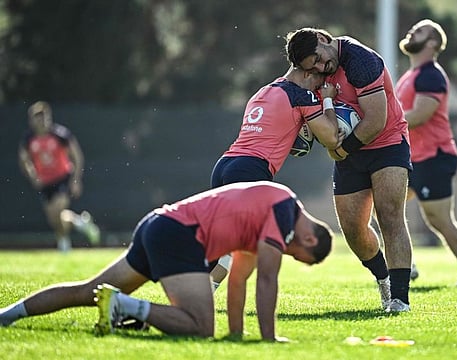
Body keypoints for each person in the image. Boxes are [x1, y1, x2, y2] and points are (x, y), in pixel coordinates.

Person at [0, 181, 334, 341]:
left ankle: (6, 315)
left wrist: (235, 334)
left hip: (159, 224)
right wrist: (269, 339)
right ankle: (123, 306)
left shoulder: (267, 213)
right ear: (308, 240)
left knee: (86, 291)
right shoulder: (284, 212)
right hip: (179, 234)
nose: (287, 254)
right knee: (201, 327)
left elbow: (239, 279)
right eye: (297, 256)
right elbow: (267, 279)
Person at [285, 27, 414, 312]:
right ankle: (384, 280)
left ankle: (400, 299)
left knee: (390, 217)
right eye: (312, 67)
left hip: (387, 144)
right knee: (354, 231)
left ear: (322, 39)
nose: (320, 68)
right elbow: (287, 88)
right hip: (350, 155)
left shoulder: (360, 59)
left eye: (319, 60)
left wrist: (340, 150)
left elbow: (376, 120)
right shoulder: (312, 67)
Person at [208, 43, 343, 290]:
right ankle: (239, 307)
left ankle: (196, 297)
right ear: (306, 73)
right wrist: (327, 102)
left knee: (224, 246)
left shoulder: (265, 90)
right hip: (250, 170)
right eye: (316, 82)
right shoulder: (301, 95)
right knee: (259, 247)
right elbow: (332, 137)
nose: (317, 88)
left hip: (225, 165)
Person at [396, 19, 457, 286]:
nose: (412, 32)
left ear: (432, 42)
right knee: (385, 205)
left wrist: (384, 122)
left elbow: (421, 115)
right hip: (412, 158)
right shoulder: (410, 75)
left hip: (434, 156)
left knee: (439, 220)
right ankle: (405, 265)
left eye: (419, 31)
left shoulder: (430, 74)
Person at [18, 101, 100, 252]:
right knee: (54, 217)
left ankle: (64, 244)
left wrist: (75, 180)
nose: (41, 121)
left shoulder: (60, 134)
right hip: (45, 182)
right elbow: (24, 159)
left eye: (44, 117)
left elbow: (77, 156)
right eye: (37, 118)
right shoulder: (29, 139)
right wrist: (33, 176)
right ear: (32, 121)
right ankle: (80, 223)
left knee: (57, 210)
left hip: (62, 178)